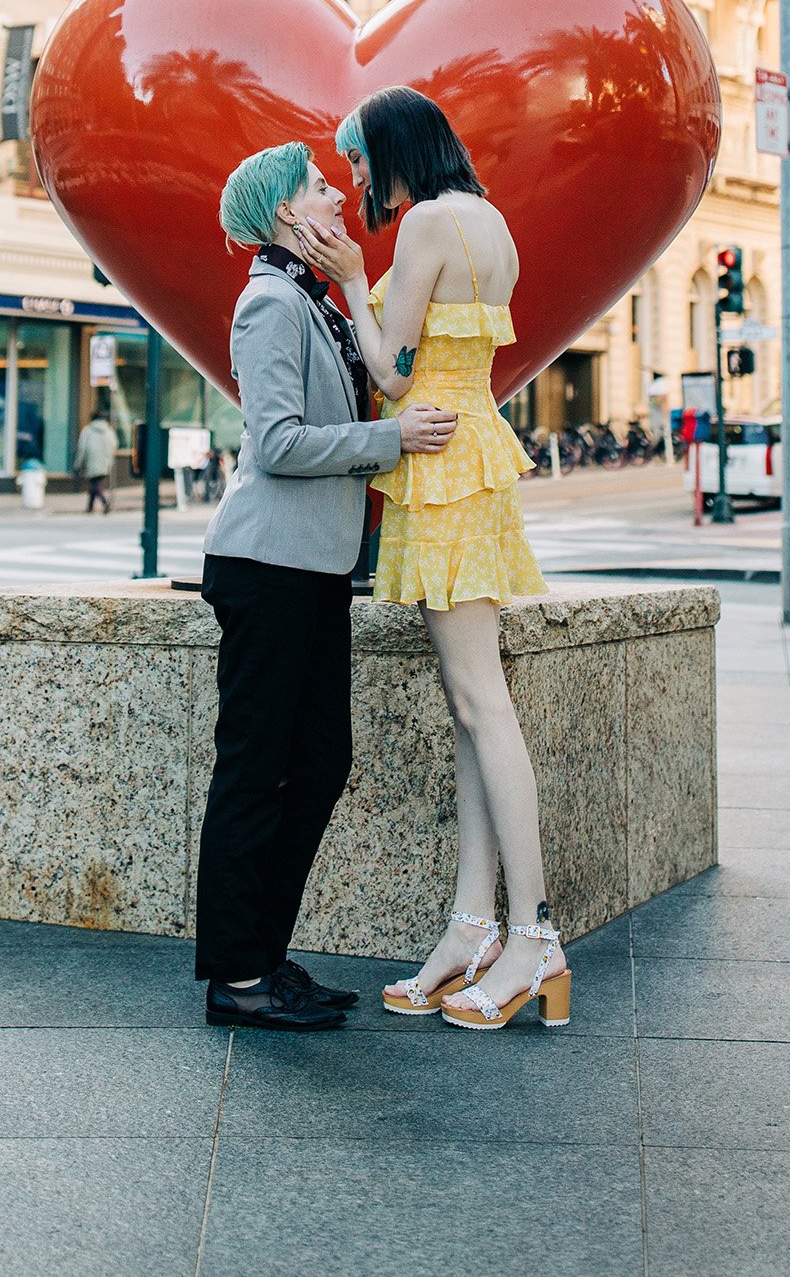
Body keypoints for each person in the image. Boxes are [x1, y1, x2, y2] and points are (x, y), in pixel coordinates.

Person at [296, 86, 570, 1034]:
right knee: (468, 704)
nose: (358, 180)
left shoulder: (422, 228)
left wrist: (343, 278)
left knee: (480, 702)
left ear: (395, 147)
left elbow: (391, 372)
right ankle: (473, 926)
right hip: (474, 456)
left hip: (439, 461)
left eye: (361, 161)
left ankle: (533, 936)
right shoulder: (488, 222)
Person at [195, 139, 459, 1033]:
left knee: (317, 763)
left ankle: (264, 955)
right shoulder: (269, 302)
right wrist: (390, 442)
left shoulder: (314, 300)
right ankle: (237, 978)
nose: (337, 199)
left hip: (308, 569)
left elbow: (378, 379)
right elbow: (277, 442)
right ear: (284, 215)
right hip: (265, 568)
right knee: (254, 772)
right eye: (318, 189)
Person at [74, 398, 118, 514]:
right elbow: (114, 445)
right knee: (95, 484)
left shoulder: (88, 431)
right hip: (105, 462)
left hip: (92, 462)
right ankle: (90, 507)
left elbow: (82, 448)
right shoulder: (109, 431)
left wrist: (78, 464)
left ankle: (104, 501)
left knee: (95, 484)